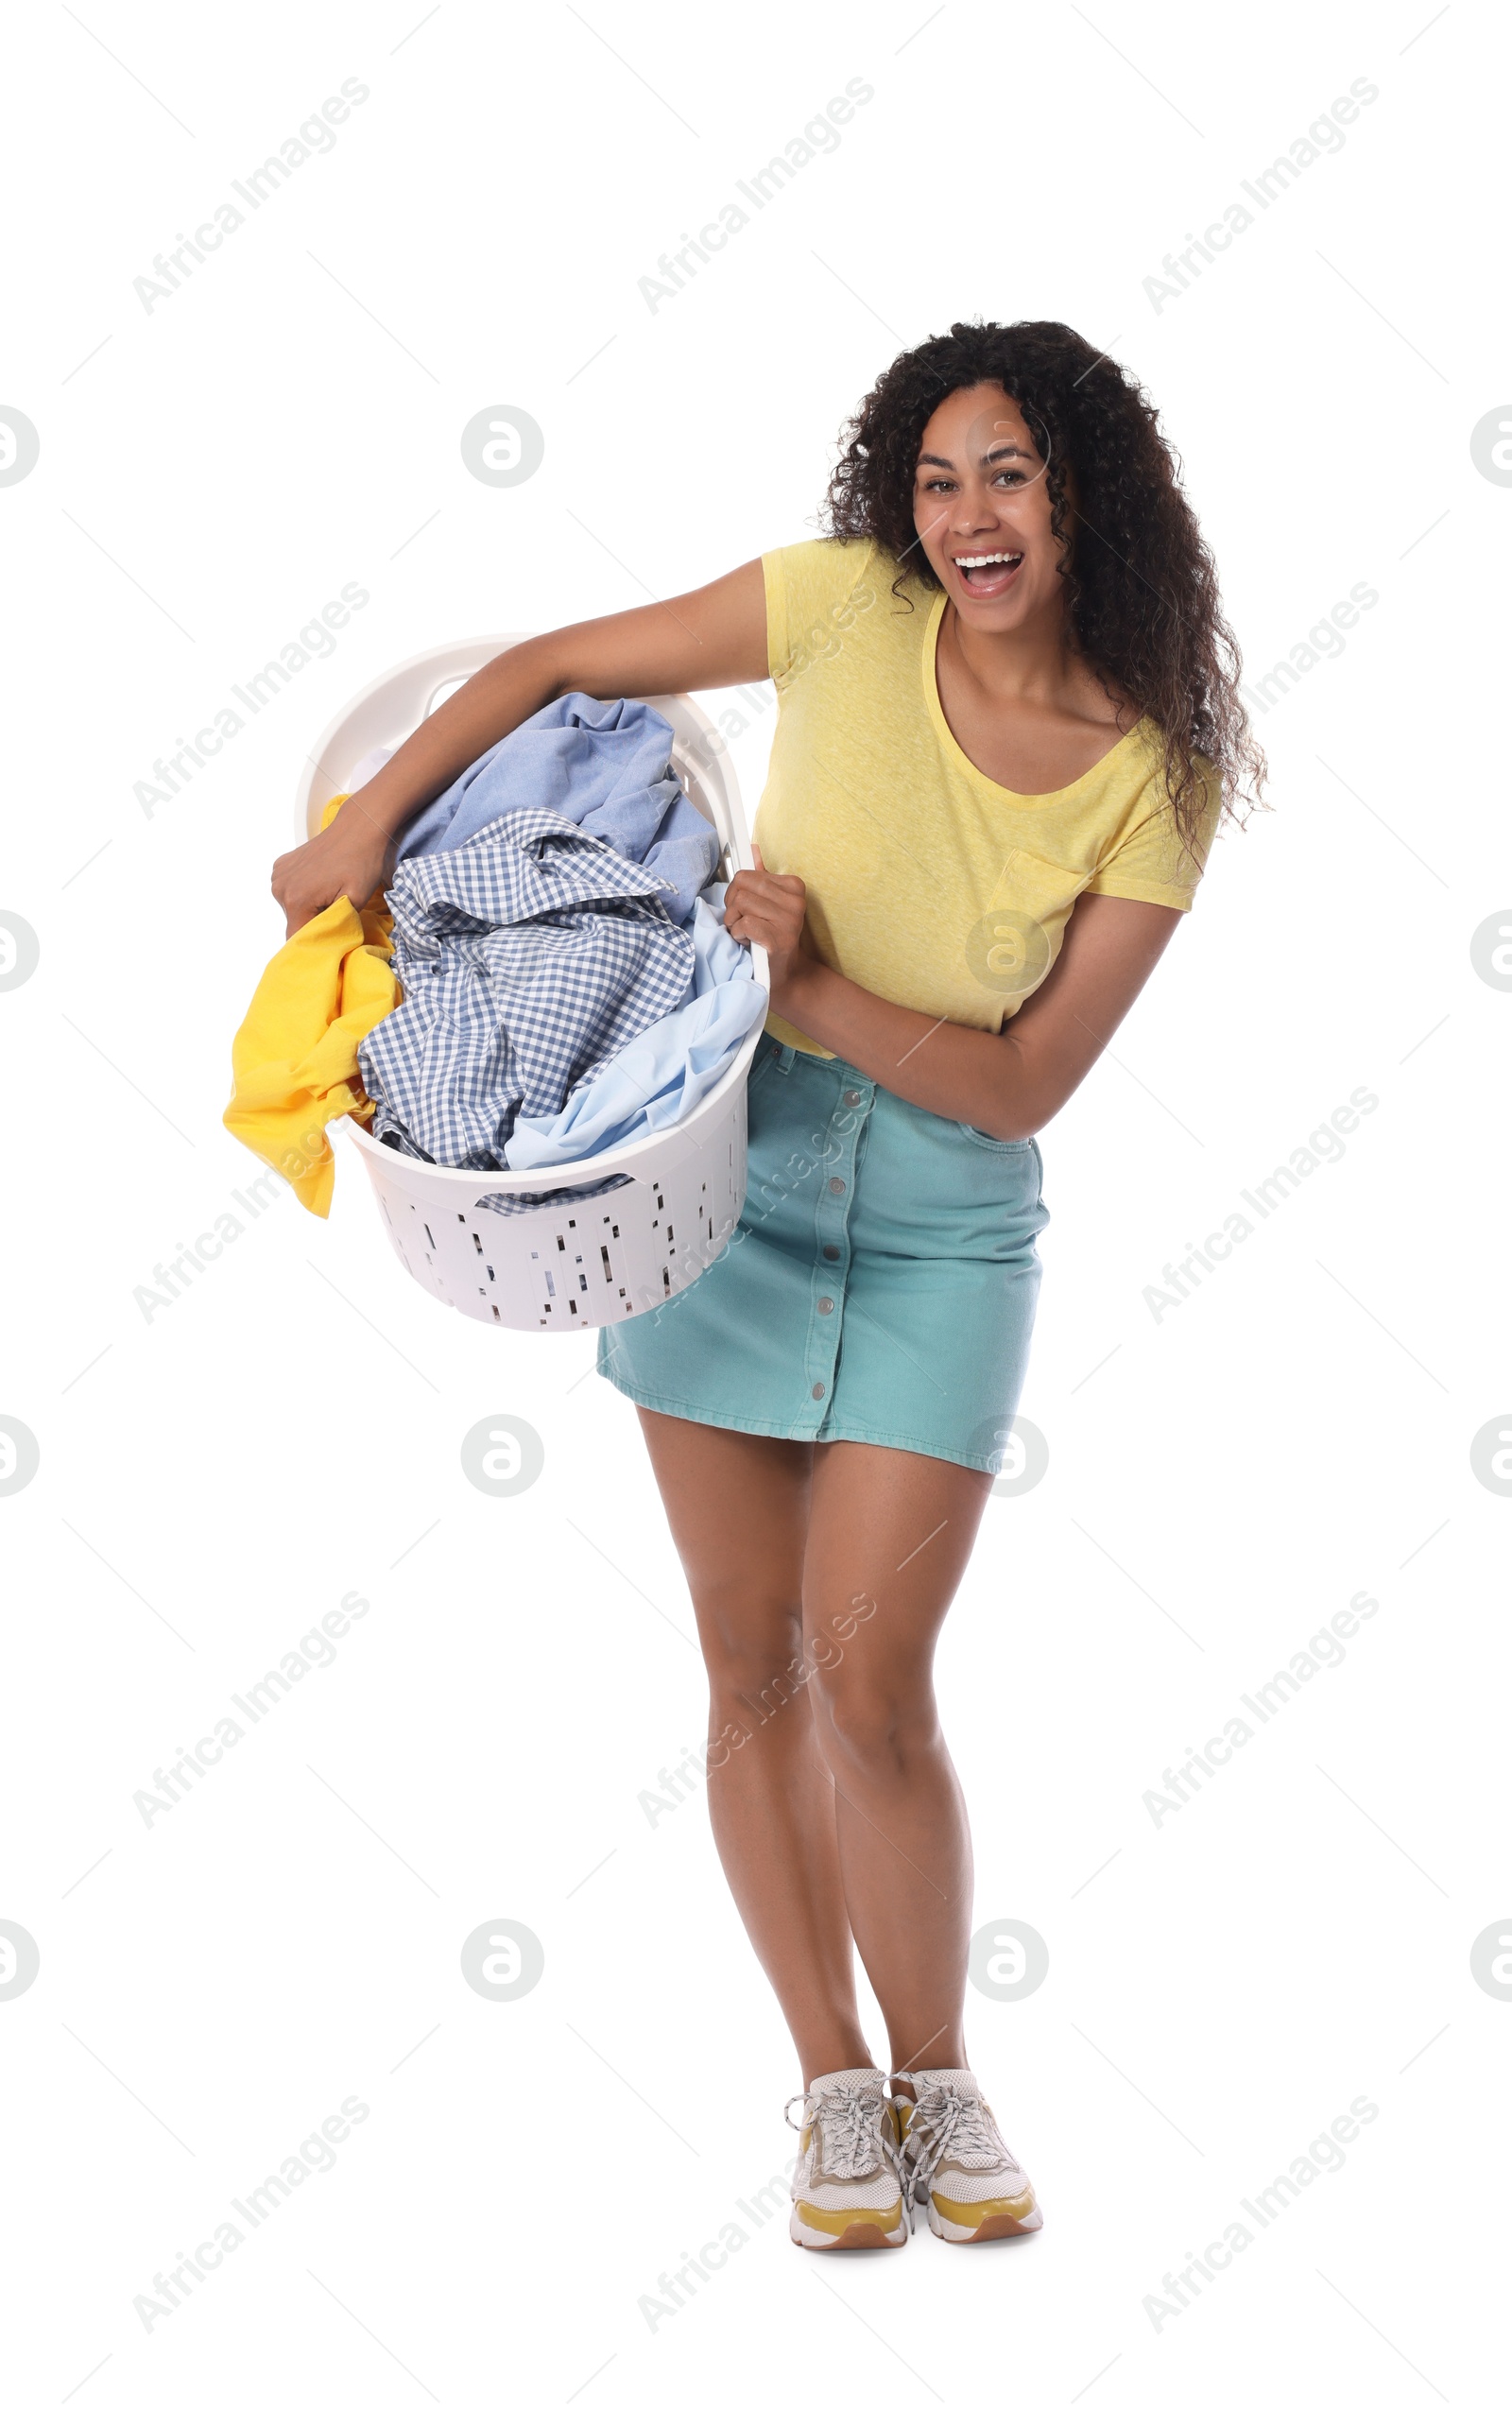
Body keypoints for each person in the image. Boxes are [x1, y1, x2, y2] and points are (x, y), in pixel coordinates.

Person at [274, 318, 1263, 2252]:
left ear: (1087, 500)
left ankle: (934, 2072)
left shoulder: (1150, 775)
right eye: (935, 479)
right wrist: (367, 825)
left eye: (1007, 476)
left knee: (866, 1676)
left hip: (940, 1220)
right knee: (744, 1667)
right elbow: (554, 665)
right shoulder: (835, 612)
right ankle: (825, 2084)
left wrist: (810, 988)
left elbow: (1023, 1078)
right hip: (707, 1176)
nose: (965, 518)